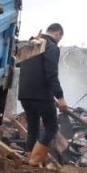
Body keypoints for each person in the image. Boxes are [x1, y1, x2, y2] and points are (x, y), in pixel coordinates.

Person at [18, 23, 68, 165]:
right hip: (41, 96)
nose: (59, 40)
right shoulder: (51, 47)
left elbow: (34, 73)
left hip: (25, 95)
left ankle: (29, 158)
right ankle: (34, 162)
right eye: (60, 37)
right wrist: (60, 97)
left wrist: (53, 97)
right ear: (58, 33)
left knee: (33, 127)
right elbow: (51, 74)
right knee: (51, 127)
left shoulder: (31, 44)